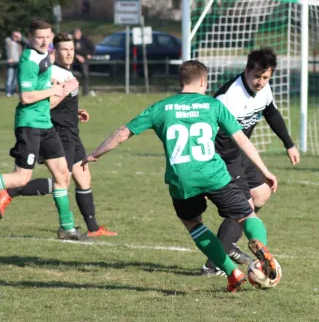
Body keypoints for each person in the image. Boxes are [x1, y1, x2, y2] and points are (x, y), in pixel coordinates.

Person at [81, 60, 281, 292]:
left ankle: (231, 272)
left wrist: (95, 154)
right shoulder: (212, 105)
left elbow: (122, 134)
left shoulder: (161, 107)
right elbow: (241, 139)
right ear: (204, 82)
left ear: (181, 81)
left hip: (182, 180)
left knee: (193, 223)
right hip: (214, 174)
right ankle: (262, 250)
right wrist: (265, 170)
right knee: (246, 215)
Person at [0, 33, 117, 237]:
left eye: (72, 49)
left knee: (84, 178)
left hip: (72, 131)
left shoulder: (66, 72)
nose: (69, 53)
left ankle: (93, 229)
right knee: (62, 179)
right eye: (64, 49)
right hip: (59, 133)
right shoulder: (53, 72)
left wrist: (76, 111)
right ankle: (10, 192)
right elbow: (47, 103)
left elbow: (61, 102)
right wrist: (63, 91)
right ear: (55, 51)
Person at [201, 47, 300, 276]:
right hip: (221, 155)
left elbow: (271, 112)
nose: (260, 82)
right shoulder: (228, 98)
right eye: (256, 76)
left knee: (262, 194)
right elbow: (206, 136)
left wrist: (289, 144)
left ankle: (229, 244)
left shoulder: (263, 89)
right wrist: (206, 172)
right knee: (242, 207)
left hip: (240, 153)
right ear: (246, 70)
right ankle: (213, 264)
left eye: (266, 77)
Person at [0, 19, 87, 241]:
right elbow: (26, 97)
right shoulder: (30, 60)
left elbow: (43, 90)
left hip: (45, 123)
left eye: (48, 36)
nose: (45, 40)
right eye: (40, 36)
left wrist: (67, 105)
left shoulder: (44, 57)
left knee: (62, 175)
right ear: (30, 36)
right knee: (20, 178)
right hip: (30, 125)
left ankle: (66, 229)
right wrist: (57, 90)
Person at [72, 27, 95, 97]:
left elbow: (92, 47)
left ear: (80, 33)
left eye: (78, 34)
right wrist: (77, 56)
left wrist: (90, 55)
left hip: (84, 60)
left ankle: (85, 92)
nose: (76, 35)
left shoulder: (85, 40)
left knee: (85, 75)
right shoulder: (72, 41)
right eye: (75, 34)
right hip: (74, 59)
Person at [4, 30, 23, 97]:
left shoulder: (19, 42)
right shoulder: (9, 41)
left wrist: (20, 37)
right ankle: (8, 92)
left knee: (15, 79)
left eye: (17, 36)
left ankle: (13, 92)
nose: (15, 37)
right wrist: (9, 57)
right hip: (11, 63)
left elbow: (26, 42)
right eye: (14, 35)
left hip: (18, 62)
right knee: (10, 78)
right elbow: (7, 50)